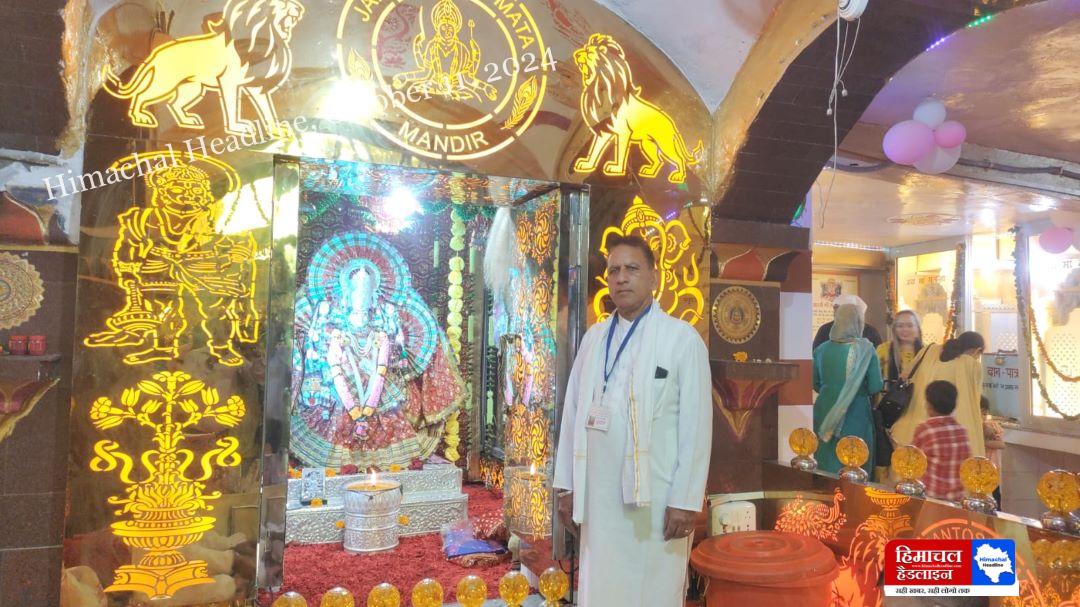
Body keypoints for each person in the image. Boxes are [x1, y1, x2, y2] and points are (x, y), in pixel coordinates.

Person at [553, 233, 712, 607]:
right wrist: (566, 487)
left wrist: (686, 499)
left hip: (656, 503)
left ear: (654, 277)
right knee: (601, 588)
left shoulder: (681, 340)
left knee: (652, 591)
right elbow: (572, 414)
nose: (621, 278)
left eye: (632, 269)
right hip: (598, 500)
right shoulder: (594, 338)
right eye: (614, 270)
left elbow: (697, 427)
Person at [812, 303, 884, 475]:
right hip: (856, 412)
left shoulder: (821, 349)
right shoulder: (866, 349)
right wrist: (855, 389)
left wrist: (831, 390)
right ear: (859, 322)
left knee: (825, 457)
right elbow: (875, 386)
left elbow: (814, 383)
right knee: (853, 459)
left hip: (824, 410)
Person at [890, 332, 986, 458]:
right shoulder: (971, 365)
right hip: (948, 438)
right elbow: (974, 404)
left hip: (906, 430)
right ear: (977, 351)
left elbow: (904, 376)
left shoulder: (929, 350)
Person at [873, 310, 926, 482]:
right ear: (894, 329)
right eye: (900, 326)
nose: (905, 330)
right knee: (888, 457)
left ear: (917, 328)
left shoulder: (927, 353)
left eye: (909, 325)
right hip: (890, 414)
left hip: (917, 412)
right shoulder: (883, 350)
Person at [912, 381, 972, 502]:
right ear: (955, 405)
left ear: (929, 405)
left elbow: (911, 463)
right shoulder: (962, 430)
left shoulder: (925, 430)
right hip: (956, 499)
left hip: (930, 498)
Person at [813, 294, 884, 351]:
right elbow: (816, 354)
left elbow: (879, 357)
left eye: (838, 308)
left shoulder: (870, 332)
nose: (835, 312)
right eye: (834, 308)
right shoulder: (825, 329)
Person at [981, 396, 1005, 505]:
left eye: (985, 413)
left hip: (992, 470)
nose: (983, 417)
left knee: (994, 499)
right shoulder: (974, 427)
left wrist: (984, 442)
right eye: (981, 413)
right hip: (980, 471)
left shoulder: (991, 426)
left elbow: (1001, 444)